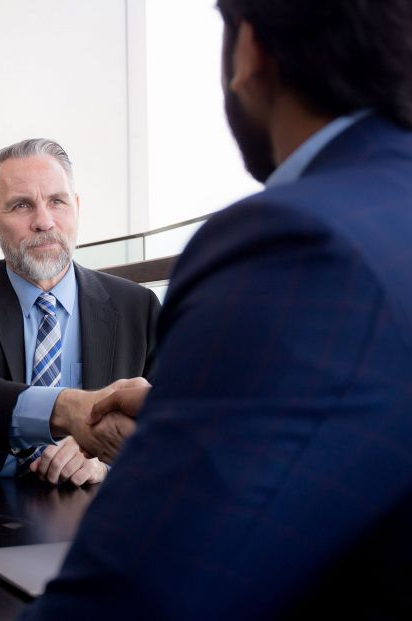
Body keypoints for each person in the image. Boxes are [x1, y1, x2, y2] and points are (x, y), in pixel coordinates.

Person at [23, 1, 412, 618]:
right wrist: (193, 416)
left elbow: (131, 600)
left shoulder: (290, 241)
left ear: (249, 51)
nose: (43, 219)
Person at [0, 138, 159, 484]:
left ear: (76, 206)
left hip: (95, 506)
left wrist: (103, 463)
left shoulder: (138, 306)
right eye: (21, 206)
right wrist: (71, 410)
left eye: (57, 201)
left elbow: (174, 424)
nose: (44, 221)